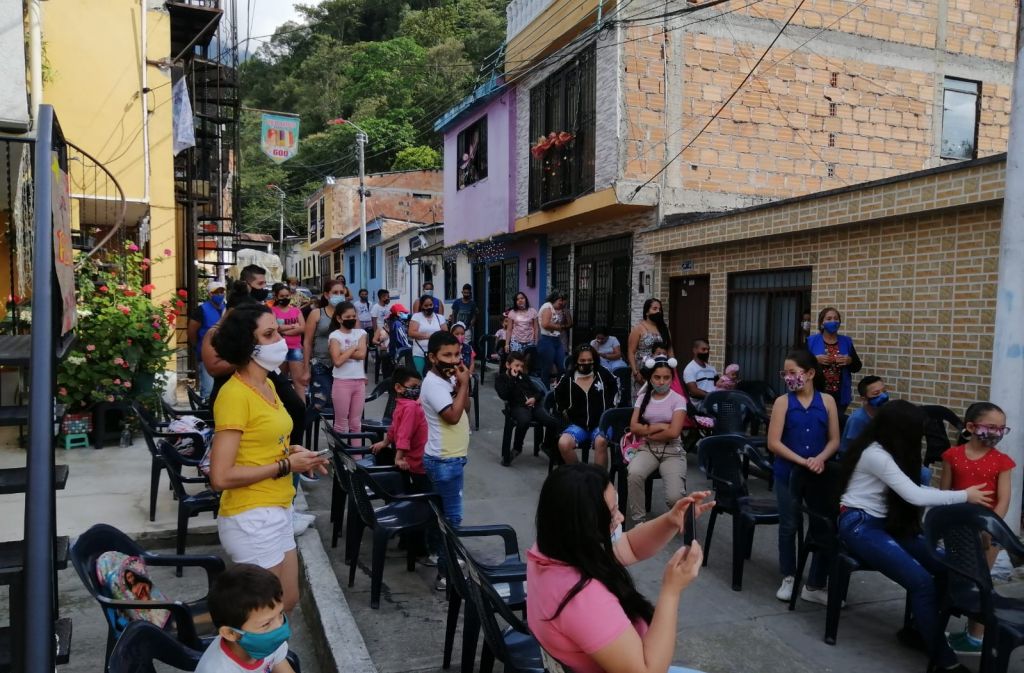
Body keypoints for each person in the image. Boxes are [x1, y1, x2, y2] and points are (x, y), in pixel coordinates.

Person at [838, 400, 992, 673]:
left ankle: (919, 630)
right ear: (901, 430)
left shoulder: (893, 449)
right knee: (921, 582)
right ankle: (944, 660)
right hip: (860, 524)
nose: (922, 437)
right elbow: (914, 494)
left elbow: (913, 491)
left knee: (947, 567)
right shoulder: (876, 454)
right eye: (918, 431)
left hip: (886, 523)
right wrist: (964, 495)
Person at [527, 464, 713, 673]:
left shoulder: (550, 551)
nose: (621, 517)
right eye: (613, 512)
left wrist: (671, 520)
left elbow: (630, 547)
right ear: (587, 526)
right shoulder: (583, 599)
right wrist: (671, 590)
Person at [209, 303, 329, 613]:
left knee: (288, 601)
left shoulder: (268, 384)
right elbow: (220, 476)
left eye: (277, 330)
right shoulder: (235, 395)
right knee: (265, 614)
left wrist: (293, 453)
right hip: (252, 518)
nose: (280, 338)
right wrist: (287, 466)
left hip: (277, 508)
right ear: (248, 346)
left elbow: (260, 443)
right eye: (269, 334)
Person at [940, 402, 1016, 655]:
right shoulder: (952, 456)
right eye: (991, 427)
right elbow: (945, 493)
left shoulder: (1002, 462)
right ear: (971, 427)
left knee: (981, 582)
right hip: (957, 531)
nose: (996, 433)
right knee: (958, 579)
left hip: (987, 535)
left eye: (1001, 429)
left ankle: (976, 637)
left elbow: (1003, 500)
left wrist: (990, 528)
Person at [767, 349, 840, 603]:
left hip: (819, 475)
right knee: (789, 525)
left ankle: (815, 584)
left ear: (809, 374)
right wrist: (802, 462)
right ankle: (789, 575)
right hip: (788, 473)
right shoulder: (782, 403)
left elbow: (834, 440)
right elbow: (774, 443)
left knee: (823, 525)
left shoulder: (827, 401)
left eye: (792, 372)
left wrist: (820, 459)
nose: (788, 378)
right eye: (785, 373)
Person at [420, 331, 471, 590]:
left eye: (457, 354)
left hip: (450, 457)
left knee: (440, 513)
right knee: (452, 518)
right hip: (445, 460)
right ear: (432, 358)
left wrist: (463, 383)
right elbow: (452, 416)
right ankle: (445, 573)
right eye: (446, 355)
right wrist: (462, 385)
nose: (453, 360)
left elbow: (466, 408)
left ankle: (436, 554)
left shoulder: (447, 381)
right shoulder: (434, 384)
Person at [627, 359, 689, 525]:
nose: (661, 382)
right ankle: (639, 521)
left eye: (666, 378)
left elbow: (674, 432)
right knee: (634, 473)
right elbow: (633, 427)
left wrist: (648, 432)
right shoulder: (642, 398)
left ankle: (679, 518)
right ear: (650, 378)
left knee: (674, 498)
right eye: (657, 377)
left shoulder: (678, 400)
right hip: (648, 449)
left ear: (672, 378)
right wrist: (661, 426)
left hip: (672, 451)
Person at [199, 564, 294, 673]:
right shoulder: (218, 669)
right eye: (266, 624)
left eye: (281, 613)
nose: (279, 627)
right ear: (230, 633)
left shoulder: (271, 642)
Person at [553, 344, 619, 468]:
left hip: (601, 424)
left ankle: (600, 481)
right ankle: (579, 474)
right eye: (582, 361)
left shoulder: (603, 374)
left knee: (601, 441)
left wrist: (611, 407)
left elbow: (616, 388)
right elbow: (558, 396)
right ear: (576, 361)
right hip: (577, 425)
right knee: (563, 443)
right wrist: (565, 411)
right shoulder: (567, 378)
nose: (586, 363)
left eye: (590, 360)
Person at [495, 352, 564, 466]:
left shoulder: (524, 377)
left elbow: (539, 392)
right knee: (524, 420)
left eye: (521, 366)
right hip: (517, 406)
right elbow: (504, 395)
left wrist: (534, 398)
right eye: (516, 366)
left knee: (552, 422)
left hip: (533, 405)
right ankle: (517, 448)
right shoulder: (501, 378)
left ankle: (546, 445)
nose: (519, 368)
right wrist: (513, 379)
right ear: (508, 365)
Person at [300, 280, 346, 424]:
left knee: (339, 405)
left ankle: (338, 440)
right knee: (319, 402)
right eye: (335, 293)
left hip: (343, 366)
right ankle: (299, 432)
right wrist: (306, 369)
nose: (339, 295)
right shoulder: (317, 313)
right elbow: (307, 342)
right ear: (326, 295)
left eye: (341, 293)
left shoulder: (348, 314)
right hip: (320, 364)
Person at [807, 306, 862, 415]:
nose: (833, 321)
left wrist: (849, 360)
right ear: (822, 323)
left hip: (840, 395)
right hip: (816, 393)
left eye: (836, 318)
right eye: (829, 319)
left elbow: (857, 366)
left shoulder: (847, 342)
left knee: (835, 425)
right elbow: (799, 364)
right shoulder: (811, 341)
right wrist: (814, 360)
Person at [328, 301, 368, 438]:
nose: (351, 319)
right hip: (342, 382)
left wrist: (343, 352)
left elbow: (362, 354)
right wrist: (352, 348)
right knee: (340, 423)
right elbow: (337, 361)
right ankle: (340, 457)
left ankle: (357, 457)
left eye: (353, 316)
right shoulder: (335, 335)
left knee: (356, 423)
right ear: (339, 318)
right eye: (348, 317)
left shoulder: (361, 333)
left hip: (359, 382)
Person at [188, 280, 226, 401]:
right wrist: (197, 346)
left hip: (225, 353)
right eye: (217, 292)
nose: (220, 294)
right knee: (208, 389)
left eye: (222, 291)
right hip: (207, 352)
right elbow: (192, 331)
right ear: (210, 294)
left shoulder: (227, 309)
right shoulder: (201, 310)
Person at [270, 284, 305, 393]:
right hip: (279, 349)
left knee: (299, 382)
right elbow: (274, 328)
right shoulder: (272, 311)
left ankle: (301, 409)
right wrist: (292, 326)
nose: (285, 298)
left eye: (287, 295)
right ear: (276, 297)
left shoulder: (296, 311)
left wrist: (283, 331)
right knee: (281, 382)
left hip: (295, 348)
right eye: (282, 296)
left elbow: (303, 328)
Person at [628, 299, 672, 385]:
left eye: (660, 309)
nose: (658, 311)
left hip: (661, 371)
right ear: (647, 312)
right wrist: (635, 372)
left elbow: (670, 350)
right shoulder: (638, 329)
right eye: (654, 309)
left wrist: (672, 368)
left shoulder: (664, 329)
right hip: (642, 371)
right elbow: (631, 352)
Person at [840, 375, 888, 453]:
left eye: (884, 391)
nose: (884, 396)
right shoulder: (857, 420)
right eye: (876, 393)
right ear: (864, 399)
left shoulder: (885, 414)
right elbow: (854, 450)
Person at [537, 290, 572, 384]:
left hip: (556, 340)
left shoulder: (553, 309)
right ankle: (545, 390)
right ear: (554, 299)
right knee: (547, 368)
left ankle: (560, 387)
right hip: (547, 340)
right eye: (560, 300)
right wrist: (559, 327)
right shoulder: (547, 307)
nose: (562, 303)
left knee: (562, 365)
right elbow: (545, 324)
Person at [409, 294, 447, 375]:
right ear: (421, 306)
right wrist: (430, 336)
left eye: (430, 305)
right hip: (420, 352)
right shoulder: (417, 316)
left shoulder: (440, 317)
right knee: (421, 375)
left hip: (436, 352)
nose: (429, 307)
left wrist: (421, 335)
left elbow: (445, 333)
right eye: (426, 305)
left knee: (436, 375)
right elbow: (411, 333)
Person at [681, 339, 717, 409]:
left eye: (708, 349)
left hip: (714, 401)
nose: (706, 352)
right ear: (695, 350)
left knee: (739, 407)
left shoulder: (711, 369)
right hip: (700, 403)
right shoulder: (690, 369)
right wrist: (711, 396)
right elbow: (693, 391)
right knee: (726, 410)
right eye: (703, 349)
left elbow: (718, 384)